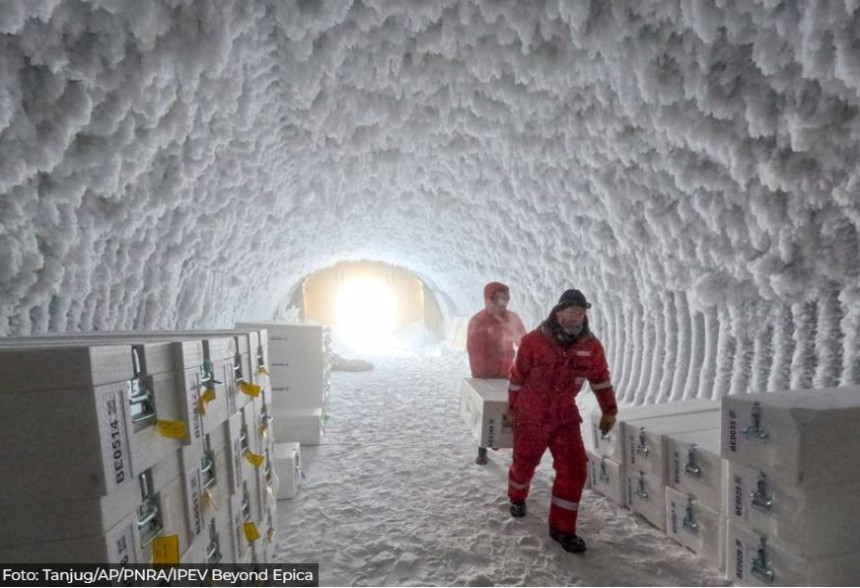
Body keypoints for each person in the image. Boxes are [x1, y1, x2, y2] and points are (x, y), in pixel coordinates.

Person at [506, 288, 617, 553]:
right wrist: (512, 408)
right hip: (531, 414)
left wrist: (609, 409)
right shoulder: (533, 342)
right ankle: (517, 496)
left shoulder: (591, 347)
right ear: (558, 313)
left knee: (575, 468)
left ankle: (562, 529)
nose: (575, 318)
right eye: (571, 312)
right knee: (524, 463)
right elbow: (517, 377)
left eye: (580, 313)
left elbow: (600, 379)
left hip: (564, 416)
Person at [466, 281, 527, 465]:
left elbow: (523, 342)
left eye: (504, 299)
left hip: (506, 373)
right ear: (489, 299)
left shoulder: (512, 319)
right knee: (487, 411)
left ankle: (509, 445)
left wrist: (525, 363)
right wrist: (481, 377)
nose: (501, 303)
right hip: (484, 375)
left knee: (509, 409)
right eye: (497, 299)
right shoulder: (478, 321)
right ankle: (482, 448)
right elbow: (475, 351)